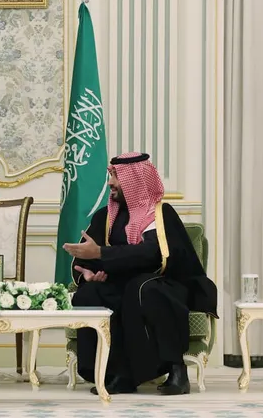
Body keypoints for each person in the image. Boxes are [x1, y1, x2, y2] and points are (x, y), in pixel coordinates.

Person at [62, 152, 217, 396]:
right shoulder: (105, 216)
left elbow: (152, 254)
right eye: (111, 176)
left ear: (135, 180)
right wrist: (89, 273)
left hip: (165, 284)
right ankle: (114, 373)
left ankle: (176, 369)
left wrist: (101, 253)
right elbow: (86, 255)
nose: (110, 183)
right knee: (89, 294)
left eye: (116, 177)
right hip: (122, 284)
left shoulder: (160, 214)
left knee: (143, 288)